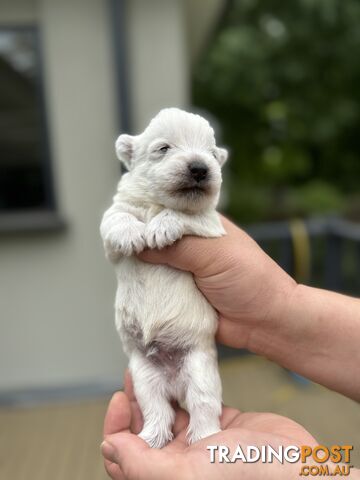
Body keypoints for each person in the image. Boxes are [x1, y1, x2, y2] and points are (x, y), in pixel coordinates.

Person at [101, 216, 360, 480]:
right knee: (150, 388)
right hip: (150, 349)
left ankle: (203, 429)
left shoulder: (195, 218)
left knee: (201, 389)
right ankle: (157, 427)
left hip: (190, 345)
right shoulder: (128, 209)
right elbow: (113, 235)